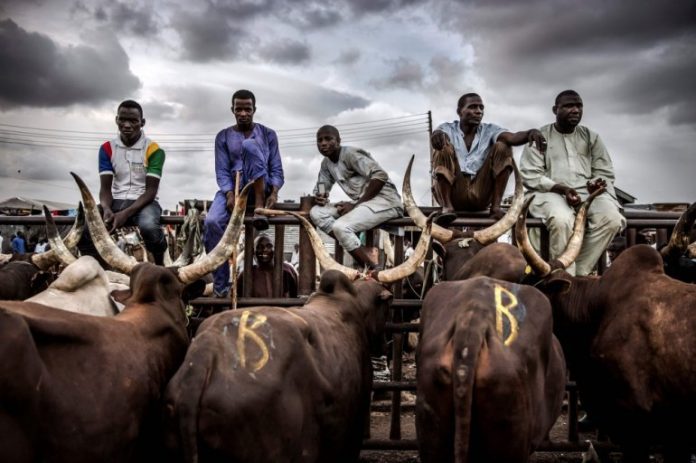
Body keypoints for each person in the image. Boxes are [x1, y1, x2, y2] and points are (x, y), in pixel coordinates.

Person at [520, 90, 625, 276]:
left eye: (579, 106)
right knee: (562, 220)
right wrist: (563, 189)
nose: (575, 110)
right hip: (548, 192)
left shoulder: (591, 137)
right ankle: (560, 276)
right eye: (569, 106)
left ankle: (576, 273)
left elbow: (605, 172)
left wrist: (595, 184)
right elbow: (531, 175)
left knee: (612, 220)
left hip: (585, 191)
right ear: (555, 109)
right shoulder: (540, 136)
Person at [204, 89, 285, 298]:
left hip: (262, 188)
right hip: (234, 190)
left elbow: (276, 169)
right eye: (238, 109)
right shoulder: (223, 136)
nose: (243, 113)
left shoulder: (268, 135)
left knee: (250, 145)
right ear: (232, 110)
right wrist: (229, 193)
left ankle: (259, 206)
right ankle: (221, 286)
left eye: (247, 109)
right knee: (212, 222)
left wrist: (273, 193)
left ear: (254, 110)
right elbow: (222, 171)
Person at [431, 92, 547, 221]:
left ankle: (495, 208)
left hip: (480, 194)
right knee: (443, 147)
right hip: (453, 194)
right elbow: (440, 133)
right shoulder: (447, 128)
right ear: (460, 111)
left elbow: (512, 137)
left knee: (503, 146)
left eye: (481, 108)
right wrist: (437, 136)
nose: (478, 111)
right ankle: (447, 207)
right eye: (472, 107)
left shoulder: (490, 130)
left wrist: (530, 133)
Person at [310, 125, 402, 270]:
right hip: (363, 203)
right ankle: (360, 248)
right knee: (316, 213)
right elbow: (322, 185)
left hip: (385, 201)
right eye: (319, 140)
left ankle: (373, 271)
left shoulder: (350, 154)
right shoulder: (326, 163)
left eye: (328, 139)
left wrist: (355, 205)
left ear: (338, 141)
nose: (323, 143)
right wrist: (321, 195)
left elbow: (380, 176)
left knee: (340, 227)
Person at [89, 99, 168, 265]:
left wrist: (125, 214)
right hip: (115, 201)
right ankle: (98, 268)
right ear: (116, 120)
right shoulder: (106, 149)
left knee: (149, 227)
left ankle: (160, 265)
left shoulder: (154, 150)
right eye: (122, 120)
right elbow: (105, 189)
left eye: (133, 121)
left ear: (142, 123)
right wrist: (106, 208)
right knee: (86, 227)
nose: (127, 125)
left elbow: (151, 191)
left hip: (145, 202)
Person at [236, 233, 298, 298]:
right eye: (259, 247)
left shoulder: (287, 271)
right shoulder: (246, 274)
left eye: (269, 246)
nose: (264, 250)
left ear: (275, 250)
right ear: (254, 252)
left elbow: (296, 297)